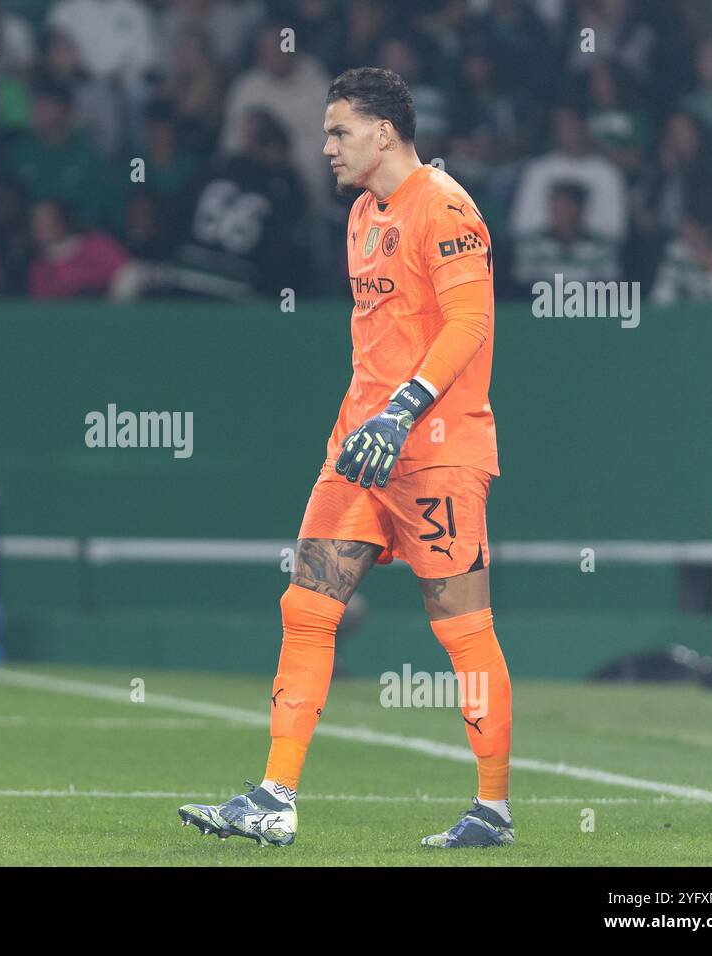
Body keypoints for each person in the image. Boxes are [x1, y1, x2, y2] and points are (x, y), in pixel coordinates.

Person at [178, 67, 512, 850]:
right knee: (306, 606)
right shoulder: (363, 214)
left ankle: (492, 809)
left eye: (338, 131)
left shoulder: (448, 205)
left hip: (434, 451)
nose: (324, 146)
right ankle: (275, 797)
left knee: (460, 627)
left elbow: (468, 324)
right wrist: (367, 423)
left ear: (385, 131)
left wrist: (401, 412)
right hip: (359, 452)